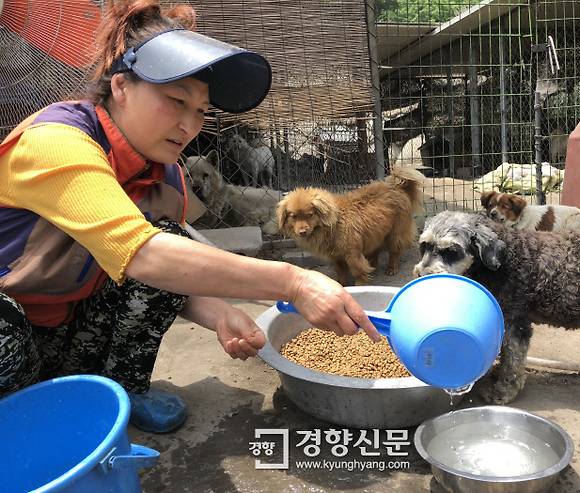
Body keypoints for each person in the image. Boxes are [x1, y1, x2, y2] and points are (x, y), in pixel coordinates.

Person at [0, 0, 379, 433]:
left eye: (199, 110)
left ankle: (116, 389)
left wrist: (220, 315)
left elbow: (164, 271)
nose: (188, 125)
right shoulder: (57, 142)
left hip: (68, 330)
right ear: (121, 87)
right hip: (14, 333)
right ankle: (24, 423)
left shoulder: (166, 179)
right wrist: (295, 281)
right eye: (176, 101)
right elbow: (145, 256)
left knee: (170, 237)